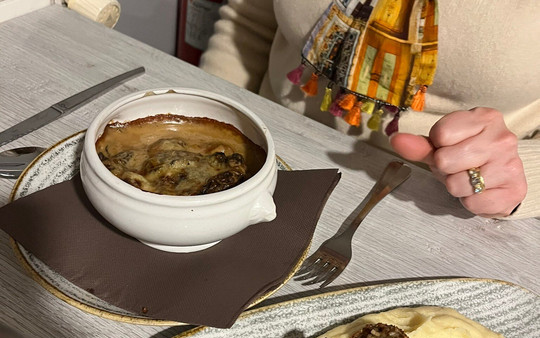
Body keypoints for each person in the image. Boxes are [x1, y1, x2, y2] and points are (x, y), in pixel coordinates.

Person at [199, 0, 539, 219]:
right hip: (256, 156)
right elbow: (250, 20)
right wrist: (208, 131)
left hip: (429, 210)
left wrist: (520, 175)